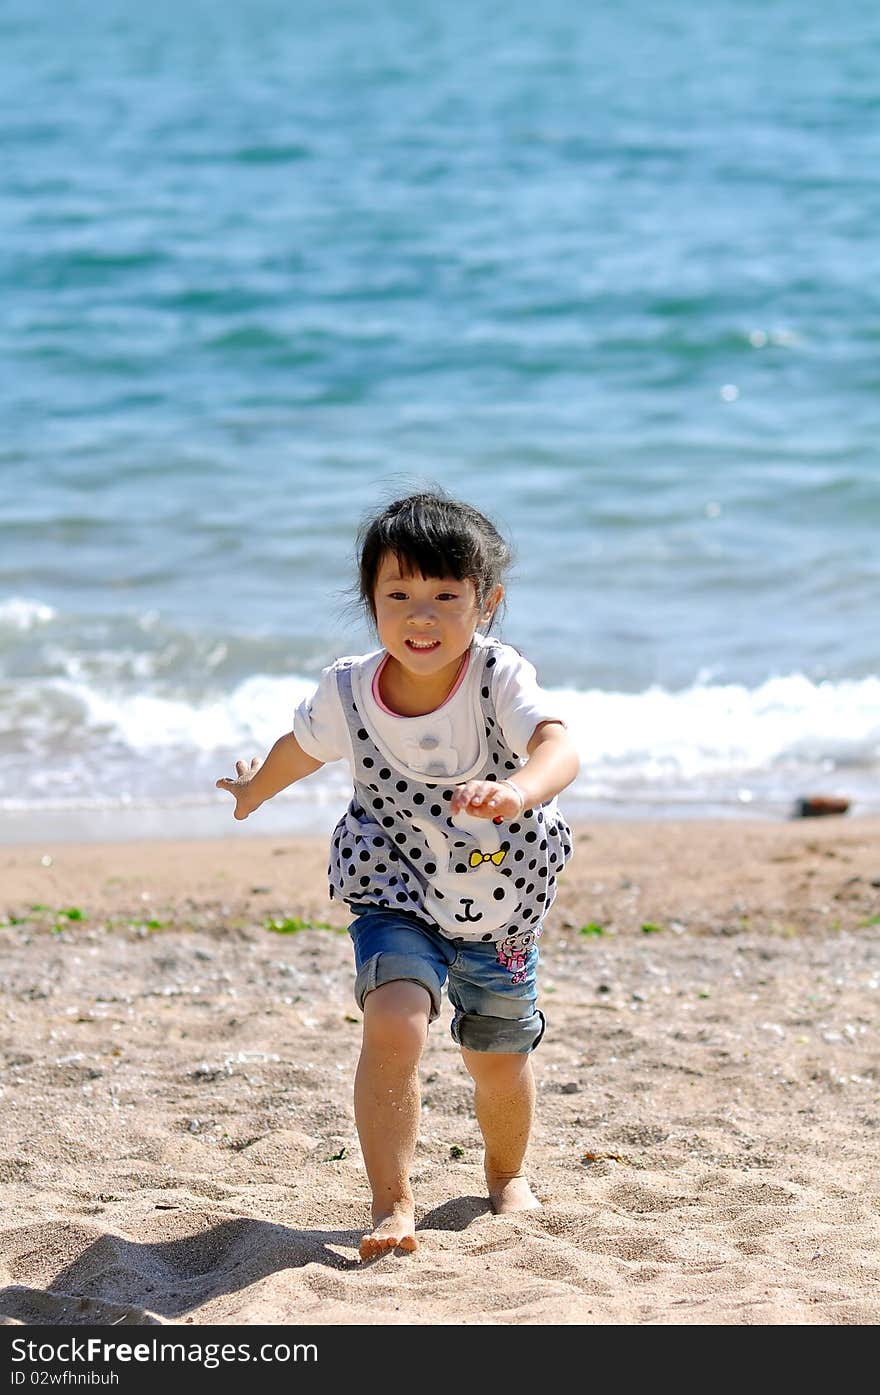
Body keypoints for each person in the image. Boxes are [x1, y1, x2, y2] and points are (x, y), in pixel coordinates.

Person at [216, 491, 579, 1260]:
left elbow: (559, 743)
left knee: (499, 1057)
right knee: (395, 1018)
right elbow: (301, 746)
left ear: (487, 601)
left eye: (447, 595)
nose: (423, 616)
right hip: (396, 880)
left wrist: (520, 789)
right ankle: (393, 1201)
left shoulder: (498, 677)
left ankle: (507, 1173)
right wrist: (255, 790)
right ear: (371, 600)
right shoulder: (349, 691)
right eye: (400, 595)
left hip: (500, 892)